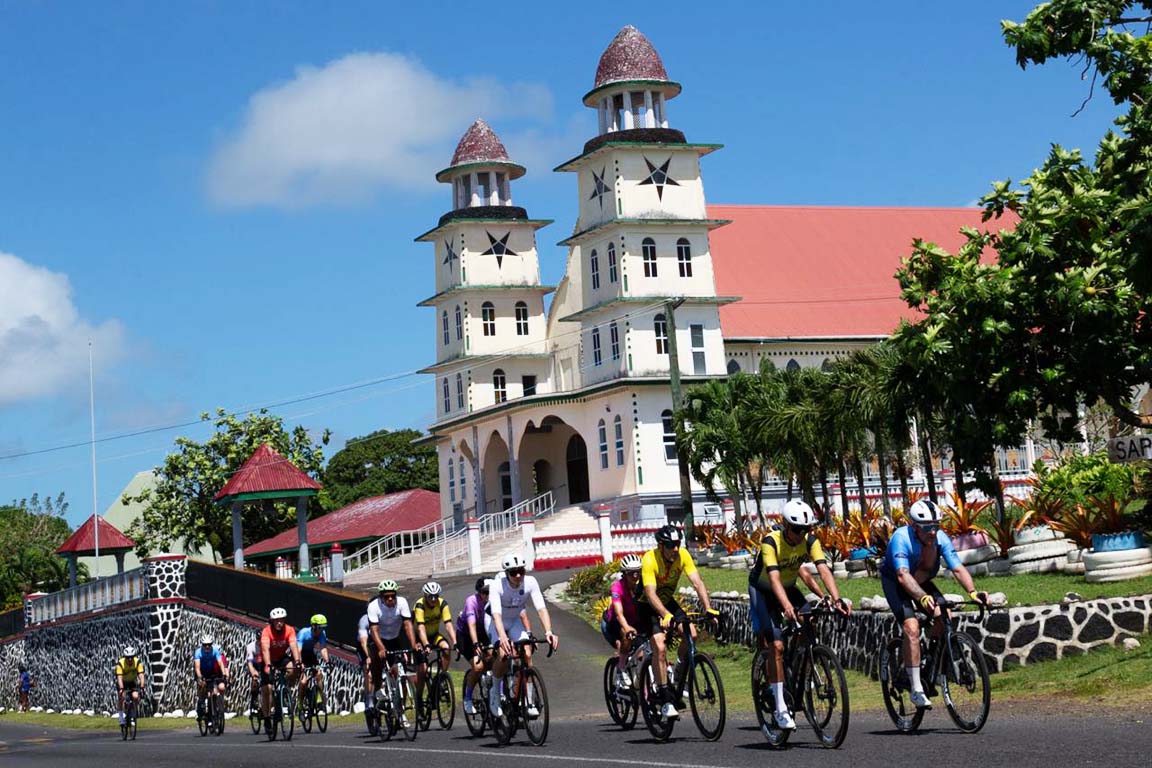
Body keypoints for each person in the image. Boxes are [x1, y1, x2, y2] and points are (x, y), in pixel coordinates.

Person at [748, 499, 850, 730]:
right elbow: (773, 579)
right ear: (785, 525)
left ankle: (798, 667)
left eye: (806, 529)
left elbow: (823, 570)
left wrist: (836, 598)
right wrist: (786, 606)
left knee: (809, 621)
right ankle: (780, 706)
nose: (801, 534)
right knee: (776, 645)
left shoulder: (809, 541)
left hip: (788, 587)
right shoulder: (770, 542)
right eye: (796, 529)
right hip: (763, 590)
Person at [880, 499, 990, 710]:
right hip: (896, 583)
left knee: (945, 618)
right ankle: (916, 688)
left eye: (936, 526)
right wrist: (921, 597)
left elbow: (957, 568)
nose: (933, 532)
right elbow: (903, 576)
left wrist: (973, 592)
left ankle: (929, 661)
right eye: (927, 527)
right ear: (914, 527)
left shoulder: (940, 539)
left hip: (920, 581)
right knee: (911, 628)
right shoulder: (901, 538)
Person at [636, 524, 719, 719]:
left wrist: (708, 608)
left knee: (692, 634)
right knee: (660, 647)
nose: (675, 549)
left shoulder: (682, 555)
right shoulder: (650, 559)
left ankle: (678, 676)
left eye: (677, 544)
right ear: (660, 545)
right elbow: (650, 593)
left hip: (667, 601)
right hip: (647, 605)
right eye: (671, 545)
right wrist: (664, 614)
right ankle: (665, 698)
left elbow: (697, 582)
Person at [489, 553, 559, 719]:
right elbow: (496, 615)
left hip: (514, 622)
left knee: (526, 653)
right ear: (507, 573)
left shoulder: (530, 582)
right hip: (496, 622)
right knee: (504, 654)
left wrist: (548, 631)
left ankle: (528, 700)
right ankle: (495, 692)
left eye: (521, 571)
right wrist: (502, 638)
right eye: (514, 572)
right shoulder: (497, 585)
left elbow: (541, 608)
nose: (518, 575)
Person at [367, 579, 418, 728]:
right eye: (386, 596)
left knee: (399, 673)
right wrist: (381, 648)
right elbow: (374, 630)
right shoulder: (374, 606)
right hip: (378, 641)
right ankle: (377, 692)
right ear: (381, 597)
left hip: (394, 639)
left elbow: (408, 625)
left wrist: (413, 645)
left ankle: (400, 711)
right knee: (376, 666)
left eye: (392, 596)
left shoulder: (402, 602)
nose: (390, 599)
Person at [413, 581, 457, 711]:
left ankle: (442, 677)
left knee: (446, 648)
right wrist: (426, 644)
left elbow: (448, 624)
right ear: (425, 596)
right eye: (430, 596)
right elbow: (420, 627)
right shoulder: (420, 605)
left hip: (434, 635)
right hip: (420, 638)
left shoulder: (442, 603)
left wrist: (455, 641)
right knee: (422, 670)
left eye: (435, 596)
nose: (433, 599)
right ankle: (419, 698)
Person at [601, 553, 642, 690]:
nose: (635, 576)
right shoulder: (617, 587)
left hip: (634, 621)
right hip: (613, 623)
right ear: (624, 574)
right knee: (625, 638)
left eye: (638, 572)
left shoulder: (641, 587)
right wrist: (627, 627)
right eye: (631, 573)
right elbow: (619, 614)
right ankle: (621, 669)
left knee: (643, 652)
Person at [259, 607, 302, 731]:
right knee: (268, 689)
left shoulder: (289, 630)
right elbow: (265, 649)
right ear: (272, 621)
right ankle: (267, 717)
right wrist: (267, 665)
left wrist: (298, 661)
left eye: (281, 620)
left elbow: (293, 646)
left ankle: (285, 689)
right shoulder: (266, 632)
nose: (279, 623)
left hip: (281, 657)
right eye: (277, 621)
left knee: (292, 669)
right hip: (268, 659)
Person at [457, 577, 493, 716]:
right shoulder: (471, 601)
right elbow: (471, 625)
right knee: (478, 667)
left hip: (484, 631)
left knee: (496, 658)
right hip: (466, 635)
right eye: (485, 592)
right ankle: (468, 698)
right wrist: (476, 643)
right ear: (479, 592)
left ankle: (491, 688)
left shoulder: (495, 599)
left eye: (490, 592)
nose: (487, 596)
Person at [296, 614, 331, 705]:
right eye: (320, 627)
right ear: (314, 626)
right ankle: (300, 703)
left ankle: (319, 696)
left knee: (319, 674)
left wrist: (328, 662)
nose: (322, 630)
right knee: (303, 682)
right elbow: (298, 650)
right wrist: (300, 663)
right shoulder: (303, 633)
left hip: (309, 653)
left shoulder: (322, 633)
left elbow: (323, 649)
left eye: (323, 627)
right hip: (299, 653)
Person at [193, 633, 229, 718]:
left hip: (210, 672)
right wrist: (200, 677)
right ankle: (200, 702)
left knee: (212, 693)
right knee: (202, 686)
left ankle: (212, 712)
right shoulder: (198, 652)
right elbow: (197, 667)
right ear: (202, 645)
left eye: (209, 645)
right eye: (205, 645)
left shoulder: (215, 650)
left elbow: (220, 663)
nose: (207, 647)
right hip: (201, 672)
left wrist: (223, 674)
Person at [115, 645, 146, 726]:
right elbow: (119, 677)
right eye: (128, 657)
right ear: (125, 657)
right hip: (123, 682)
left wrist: (142, 686)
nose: (130, 659)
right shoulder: (120, 663)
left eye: (131, 657)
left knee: (135, 697)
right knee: (122, 697)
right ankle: (121, 718)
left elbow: (141, 675)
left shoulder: (137, 662)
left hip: (132, 681)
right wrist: (121, 688)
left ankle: (133, 715)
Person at [355, 612, 374, 714]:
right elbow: (363, 643)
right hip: (364, 646)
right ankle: (369, 699)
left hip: (376, 643)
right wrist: (368, 656)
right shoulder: (364, 620)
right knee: (369, 672)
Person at [244, 633, 261, 709]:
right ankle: (254, 700)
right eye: (258, 639)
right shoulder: (250, 646)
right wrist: (253, 673)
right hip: (253, 665)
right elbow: (249, 662)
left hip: (262, 664)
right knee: (255, 679)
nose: (260, 641)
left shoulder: (266, 645)